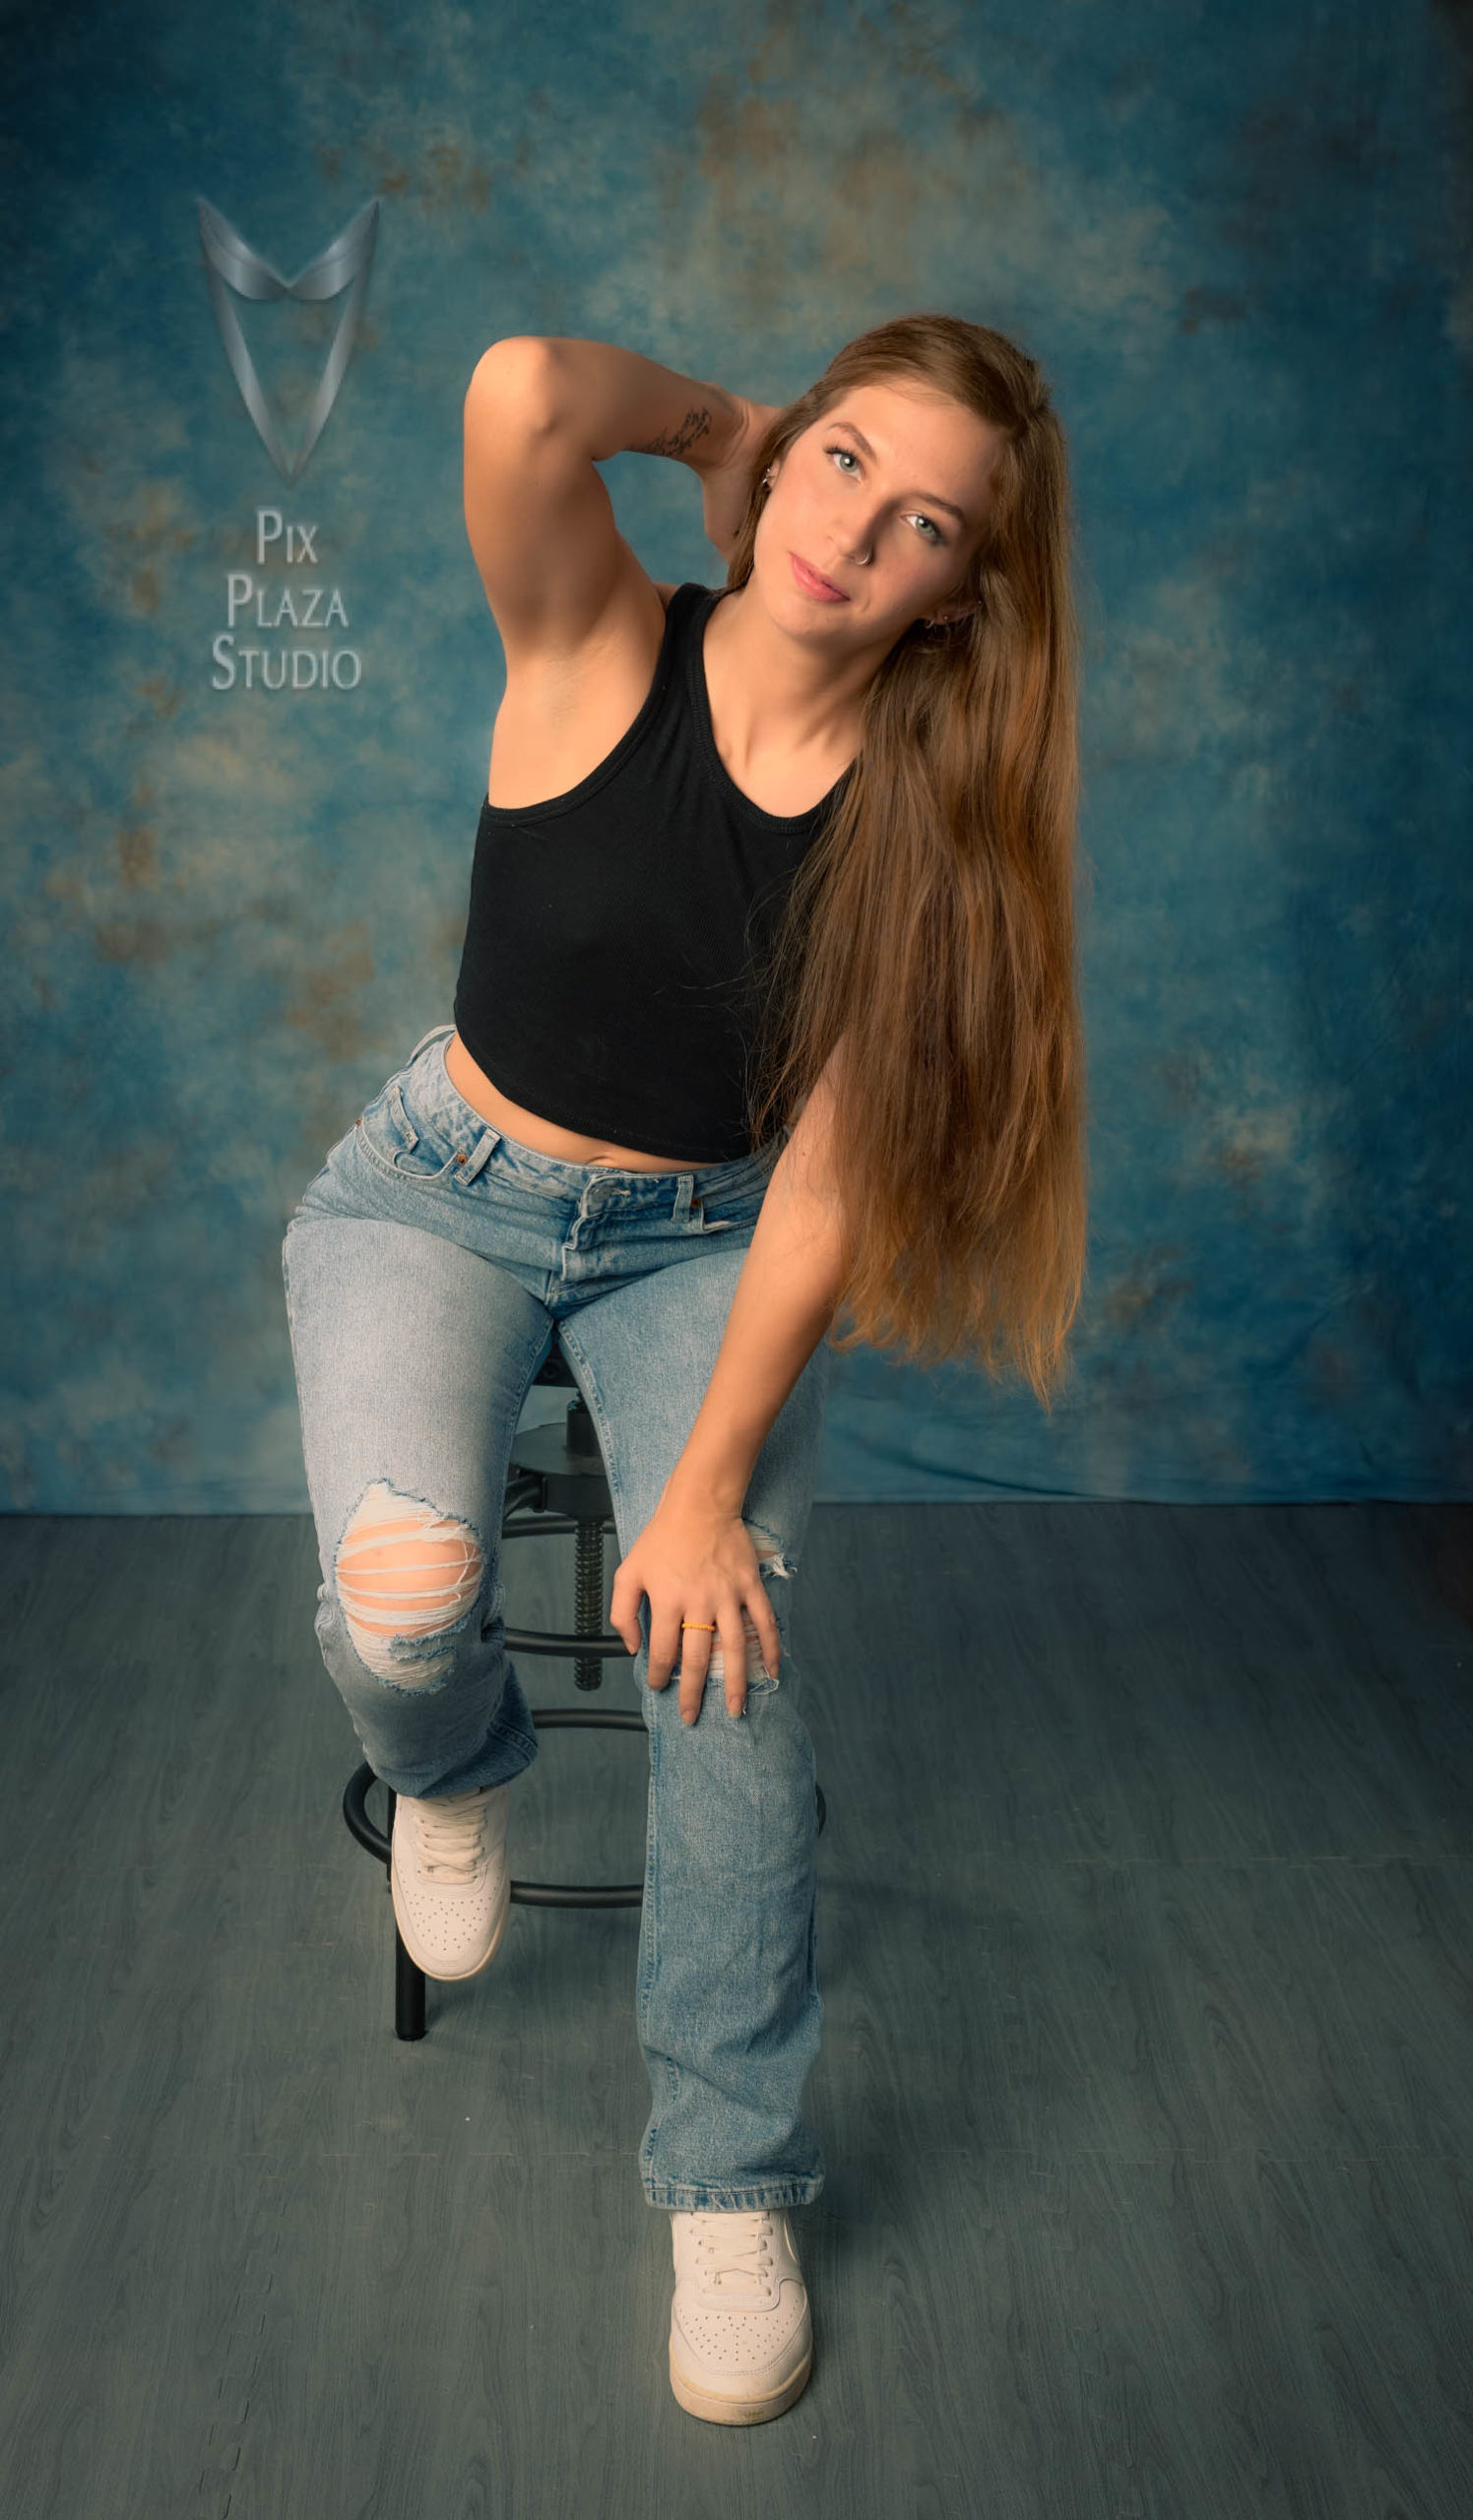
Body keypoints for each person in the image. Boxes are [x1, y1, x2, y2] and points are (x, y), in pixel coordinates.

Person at [281, 315, 1088, 2426]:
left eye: (923, 522)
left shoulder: (920, 823)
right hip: (438, 1190)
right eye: (840, 466)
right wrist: (717, 430)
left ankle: (728, 2175)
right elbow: (526, 388)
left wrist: (706, 1487)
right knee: (398, 1604)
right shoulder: (595, 643)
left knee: (723, 1666)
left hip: (709, 1245)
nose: (856, 533)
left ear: (958, 587)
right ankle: (454, 1772)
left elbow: (822, 1190)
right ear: (788, 451)